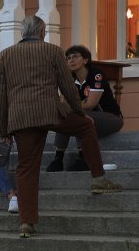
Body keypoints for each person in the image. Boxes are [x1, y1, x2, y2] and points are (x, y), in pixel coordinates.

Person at [0, 14, 123, 238]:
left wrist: (3, 128)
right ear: (42, 32)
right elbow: (67, 86)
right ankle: (98, 179)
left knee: (26, 168)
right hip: (50, 111)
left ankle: (26, 223)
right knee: (86, 126)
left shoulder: (5, 55)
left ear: (22, 33)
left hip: (21, 117)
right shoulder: (53, 51)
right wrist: (79, 112)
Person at [47, 44, 124, 172]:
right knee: (66, 115)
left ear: (85, 60)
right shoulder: (70, 78)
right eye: (68, 58)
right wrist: (68, 107)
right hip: (88, 117)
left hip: (111, 118)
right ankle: (58, 159)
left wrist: (71, 106)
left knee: (78, 116)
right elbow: (63, 102)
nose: (71, 60)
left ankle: (83, 158)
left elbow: (90, 104)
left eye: (75, 57)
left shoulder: (96, 75)